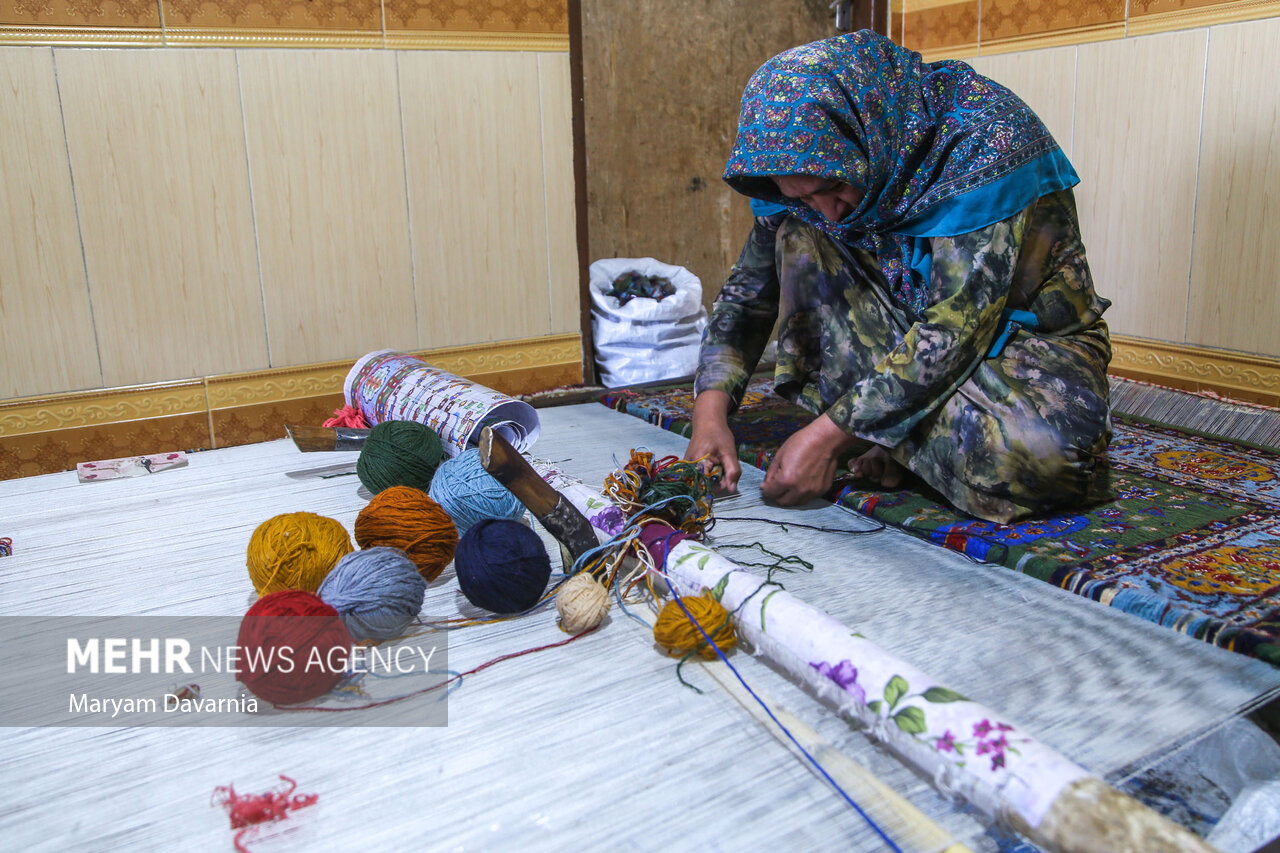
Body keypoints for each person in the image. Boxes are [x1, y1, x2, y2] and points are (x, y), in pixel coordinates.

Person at [686, 31, 1112, 524]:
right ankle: (889, 432)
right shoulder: (805, 195)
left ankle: (885, 435)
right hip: (904, 342)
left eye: (832, 185)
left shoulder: (982, 140)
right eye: (801, 196)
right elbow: (747, 297)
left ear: (863, 129)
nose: (826, 209)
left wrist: (830, 436)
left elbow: (955, 330)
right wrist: (709, 416)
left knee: (1041, 463)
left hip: (1021, 348)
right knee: (799, 238)